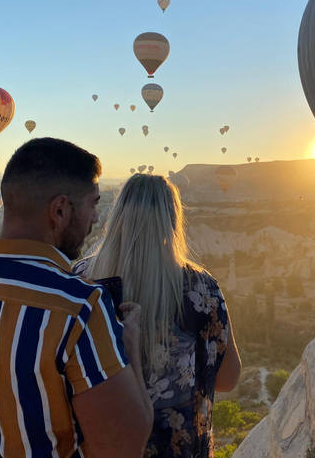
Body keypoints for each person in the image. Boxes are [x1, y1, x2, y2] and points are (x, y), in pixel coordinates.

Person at [0, 138, 153, 458]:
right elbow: (124, 447)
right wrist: (130, 345)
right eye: (93, 205)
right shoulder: (79, 306)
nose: (96, 219)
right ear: (60, 210)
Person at [78, 173, 242, 458]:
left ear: (117, 217)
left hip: (101, 444)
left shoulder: (79, 279)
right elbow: (228, 379)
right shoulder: (199, 289)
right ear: (172, 220)